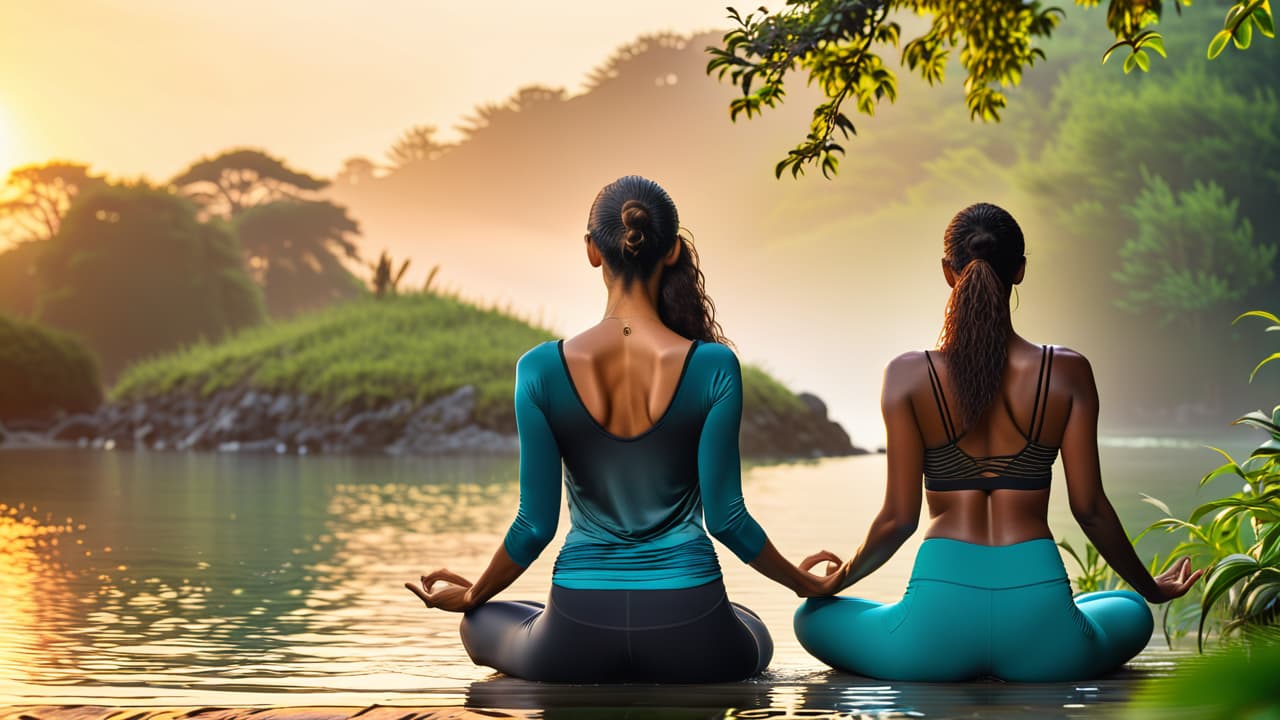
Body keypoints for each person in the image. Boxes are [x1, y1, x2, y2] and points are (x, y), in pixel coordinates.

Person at [405, 175, 841, 683]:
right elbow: (727, 521)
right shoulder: (714, 366)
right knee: (752, 628)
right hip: (691, 631)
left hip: (577, 635)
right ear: (673, 250)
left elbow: (534, 525)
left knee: (480, 622)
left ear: (593, 250)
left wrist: (476, 591)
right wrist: (801, 584)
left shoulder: (540, 369)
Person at [793, 202, 1204, 682]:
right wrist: (1152, 590)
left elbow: (897, 520)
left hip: (933, 636)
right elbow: (1090, 508)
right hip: (1042, 635)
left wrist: (831, 583)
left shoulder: (907, 375)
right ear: (1021, 270)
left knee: (813, 618)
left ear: (949, 273)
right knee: (1129, 607)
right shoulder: (1068, 371)